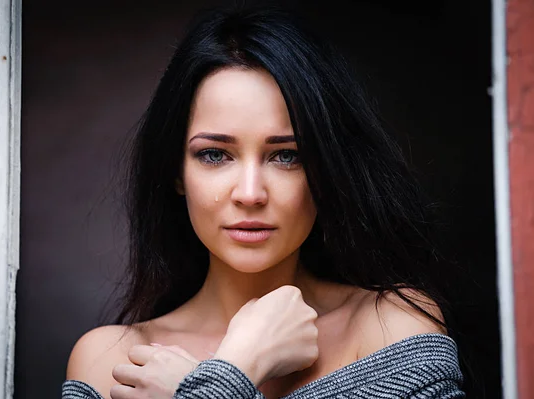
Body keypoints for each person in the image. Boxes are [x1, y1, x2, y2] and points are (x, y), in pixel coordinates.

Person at [62, 3, 465, 398]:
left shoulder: (391, 327)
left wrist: (209, 390)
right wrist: (242, 365)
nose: (251, 194)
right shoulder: (112, 363)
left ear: (323, 171)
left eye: (286, 156)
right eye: (215, 155)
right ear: (176, 172)